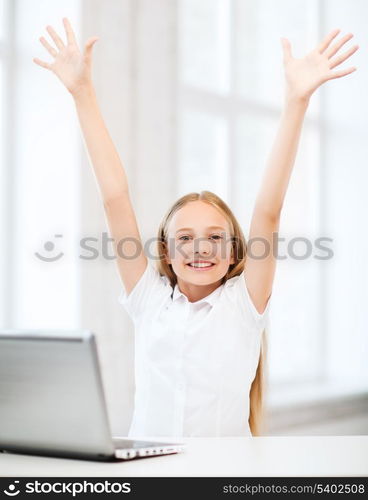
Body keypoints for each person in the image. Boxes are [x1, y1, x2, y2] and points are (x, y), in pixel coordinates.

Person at [33, 18, 359, 437]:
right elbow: (115, 198)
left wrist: (296, 101)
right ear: (166, 253)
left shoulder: (244, 304)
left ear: (236, 253)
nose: (200, 249)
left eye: (215, 238)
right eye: (185, 239)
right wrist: (82, 93)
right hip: (148, 474)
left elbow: (268, 210)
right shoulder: (149, 299)